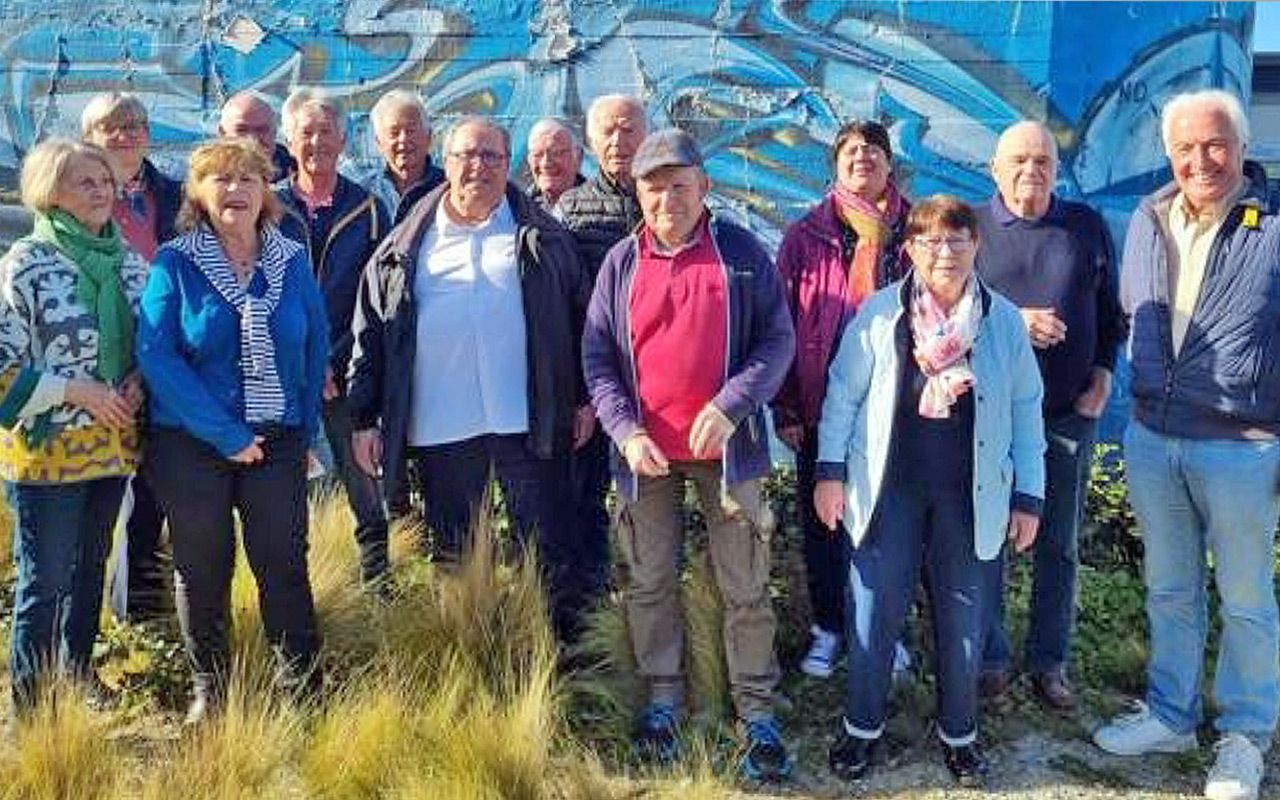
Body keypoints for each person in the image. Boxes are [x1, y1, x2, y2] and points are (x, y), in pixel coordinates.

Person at [582, 128, 796, 781]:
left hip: (729, 456)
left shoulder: (741, 254)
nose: (667, 198)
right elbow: (596, 357)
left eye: (680, 185)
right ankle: (665, 703)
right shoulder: (621, 262)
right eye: (654, 187)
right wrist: (626, 430)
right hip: (645, 457)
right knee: (648, 582)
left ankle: (757, 713)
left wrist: (730, 406)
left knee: (745, 584)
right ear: (638, 194)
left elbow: (777, 342)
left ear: (704, 188)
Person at [814, 195, 1045, 787]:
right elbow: (841, 397)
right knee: (872, 612)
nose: (945, 252)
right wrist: (829, 472)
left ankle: (960, 736)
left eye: (958, 239)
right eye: (930, 241)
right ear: (910, 249)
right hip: (888, 493)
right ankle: (861, 730)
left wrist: (1029, 497)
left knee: (964, 618)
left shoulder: (1005, 322)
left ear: (976, 246)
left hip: (970, 498)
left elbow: (1026, 411)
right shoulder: (877, 315)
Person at [1093, 89, 1280, 800]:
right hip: (1153, 436)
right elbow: (1127, 312)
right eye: (1185, 148)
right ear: (1168, 153)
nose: (1200, 160)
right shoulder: (1147, 217)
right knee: (1169, 588)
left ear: (1239, 144)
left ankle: (1244, 735)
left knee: (1245, 598)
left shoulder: (1273, 224)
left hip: (1244, 444)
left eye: (1215, 144)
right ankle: (1171, 714)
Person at [347, 116, 588, 639]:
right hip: (442, 426)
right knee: (455, 549)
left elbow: (580, 321)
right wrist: (364, 417)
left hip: (527, 421)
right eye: (466, 156)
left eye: (491, 157)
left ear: (509, 166)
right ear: (446, 163)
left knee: (545, 543)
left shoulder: (544, 239)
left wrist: (584, 399)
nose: (478, 166)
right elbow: (372, 335)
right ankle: (467, 654)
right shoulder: (404, 247)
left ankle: (553, 656)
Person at [137, 138, 328, 724]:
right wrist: (225, 434)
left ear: (265, 191)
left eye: (248, 178)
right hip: (192, 446)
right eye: (220, 179)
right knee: (202, 569)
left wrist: (302, 429)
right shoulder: (176, 261)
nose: (235, 190)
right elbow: (157, 356)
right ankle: (211, 693)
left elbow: (315, 344)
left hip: (277, 441)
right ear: (198, 192)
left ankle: (302, 689)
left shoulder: (291, 259)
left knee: (283, 565)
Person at [974, 120, 1126, 708]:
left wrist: (1105, 374)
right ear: (994, 168)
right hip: (988, 420)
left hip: (1066, 415)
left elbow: (1112, 312)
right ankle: (988, 656)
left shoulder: (1083, 226)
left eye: (1041, 161)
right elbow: (944, 308)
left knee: (1059, 543)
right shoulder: (972, 226)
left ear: (1056, 171)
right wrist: (1014, 319)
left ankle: (1049, 662)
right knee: (989, 538)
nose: (1030, 171)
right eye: (1017, 160)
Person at [0, 139, 149, 712]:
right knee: (45, 582)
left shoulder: (130, 264)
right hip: (47, 456)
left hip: (111, 449)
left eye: (105, 181)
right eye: (85, 182)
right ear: (49, 192)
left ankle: (79, 678)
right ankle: (32, 706)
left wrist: (139, 383)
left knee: (91, 571)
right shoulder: (26, 265)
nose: (101, 191)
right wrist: (77, 392)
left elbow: (151, 347)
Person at [771, 120, 912, 679]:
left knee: (891, 527)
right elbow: (779, 322)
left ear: (889, 165)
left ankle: (887, 631)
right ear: (835, 164)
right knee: (824, 524)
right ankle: (829, 628)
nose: (862, 158)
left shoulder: (915, 230)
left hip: (899, 408)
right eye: (851, 151)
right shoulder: (805, 235)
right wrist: (785, 407)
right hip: (823, 406)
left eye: (873, 151)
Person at [275, 88, 392, 589]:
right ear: (288, 139)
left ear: (344, 140)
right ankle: (302, 590)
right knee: (283, 488)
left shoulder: (368, 209)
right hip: (281, 375)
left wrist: (334, 359)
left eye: (327, 132)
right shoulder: (267, 206)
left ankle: (378, 587)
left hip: (348, 370)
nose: (317, 142)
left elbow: (379, 298)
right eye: (306, 132)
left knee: (363, 481)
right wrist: (303, 359)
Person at [81, 91, 183, 624]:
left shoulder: (176, 196)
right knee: (99, 502)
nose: (125, 135)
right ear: (89, 137)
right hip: (97, 371)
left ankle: (139, 615)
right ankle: (92, 617)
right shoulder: (72, 199)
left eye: (135, 125)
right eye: (111, 126)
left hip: (163, 364)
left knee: (153, 492)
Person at [555, 94, 648, 612]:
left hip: (657, 383)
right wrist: (579, 393)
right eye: (608, 132)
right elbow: (567, 311)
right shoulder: (571, 209)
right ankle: (590, 609)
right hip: (599, 383)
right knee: (587, 497)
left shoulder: (668, 199)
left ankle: (647, 599)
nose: (619, 141)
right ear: (591, 142)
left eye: (629, 129)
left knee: (650, 501)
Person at [361, 89, 445, 224]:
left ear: (429, 137)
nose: (403, 139)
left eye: (411, 130)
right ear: (379, 143)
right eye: (394, 133)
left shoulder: (448, 189)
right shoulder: (362, 194)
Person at [219, 91, 294, 181]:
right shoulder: (203, 182)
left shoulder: (302, 178)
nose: (253, 139)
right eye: (242, 130)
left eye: (261, 130)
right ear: (222, 133)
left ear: (274, 132)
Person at [526, 118, 583, 211]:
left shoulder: (602, 208)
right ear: (529, 160)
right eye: (537, 154)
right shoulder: (516, 210)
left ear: (578, 158)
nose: (546, 163)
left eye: (556, 153)